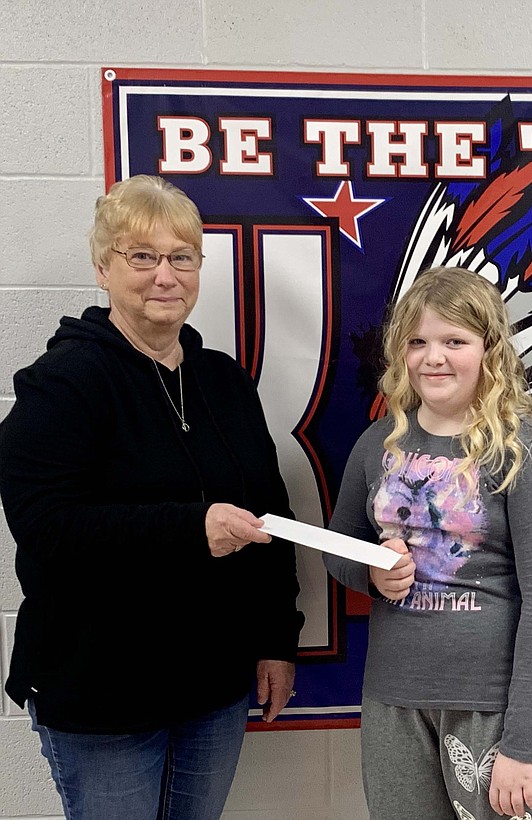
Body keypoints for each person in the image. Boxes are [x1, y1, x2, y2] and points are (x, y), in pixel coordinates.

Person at [0, 175, 304, 820]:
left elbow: (271, 520)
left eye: (182, 257)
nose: (165, 275)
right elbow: (48, 531)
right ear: (103, 267)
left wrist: (278, 639)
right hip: (101, 695)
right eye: (142, 256)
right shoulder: (62, 386)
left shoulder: (224, 382)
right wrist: (190, 529)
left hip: (212, 688)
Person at [325, 266, 532, 820]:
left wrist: (523, 744)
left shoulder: (527, 454)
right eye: (417, 342)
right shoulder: (378, 442)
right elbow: (338, 546)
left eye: (454, 341)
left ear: (490, 350)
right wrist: (371, 572)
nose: (433, 357)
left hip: (491, 704)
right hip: (394, 697)